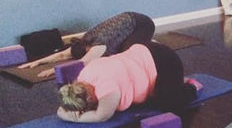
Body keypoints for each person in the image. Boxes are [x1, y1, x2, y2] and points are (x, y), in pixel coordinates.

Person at [57, 42, 197, 123]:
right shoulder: (82, 76)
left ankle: (190, 86)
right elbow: (61, 108)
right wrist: (67, 112)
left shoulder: (107, 90)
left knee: (169, 106)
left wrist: (76, 118)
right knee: (150, 102)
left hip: (164, 61)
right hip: (145, 50)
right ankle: (175, 82)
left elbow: (101, 116)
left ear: (89, 99)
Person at [18, 12, 155, 78]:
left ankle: (152, 44)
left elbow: (82, 63)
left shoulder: (98, 46)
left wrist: (53, 70)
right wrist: (37, 62)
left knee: (128, 53)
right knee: (115, 50)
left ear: (87, 49)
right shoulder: (83, 40)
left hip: (143, 24)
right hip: (127, 19)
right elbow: (61, 55)